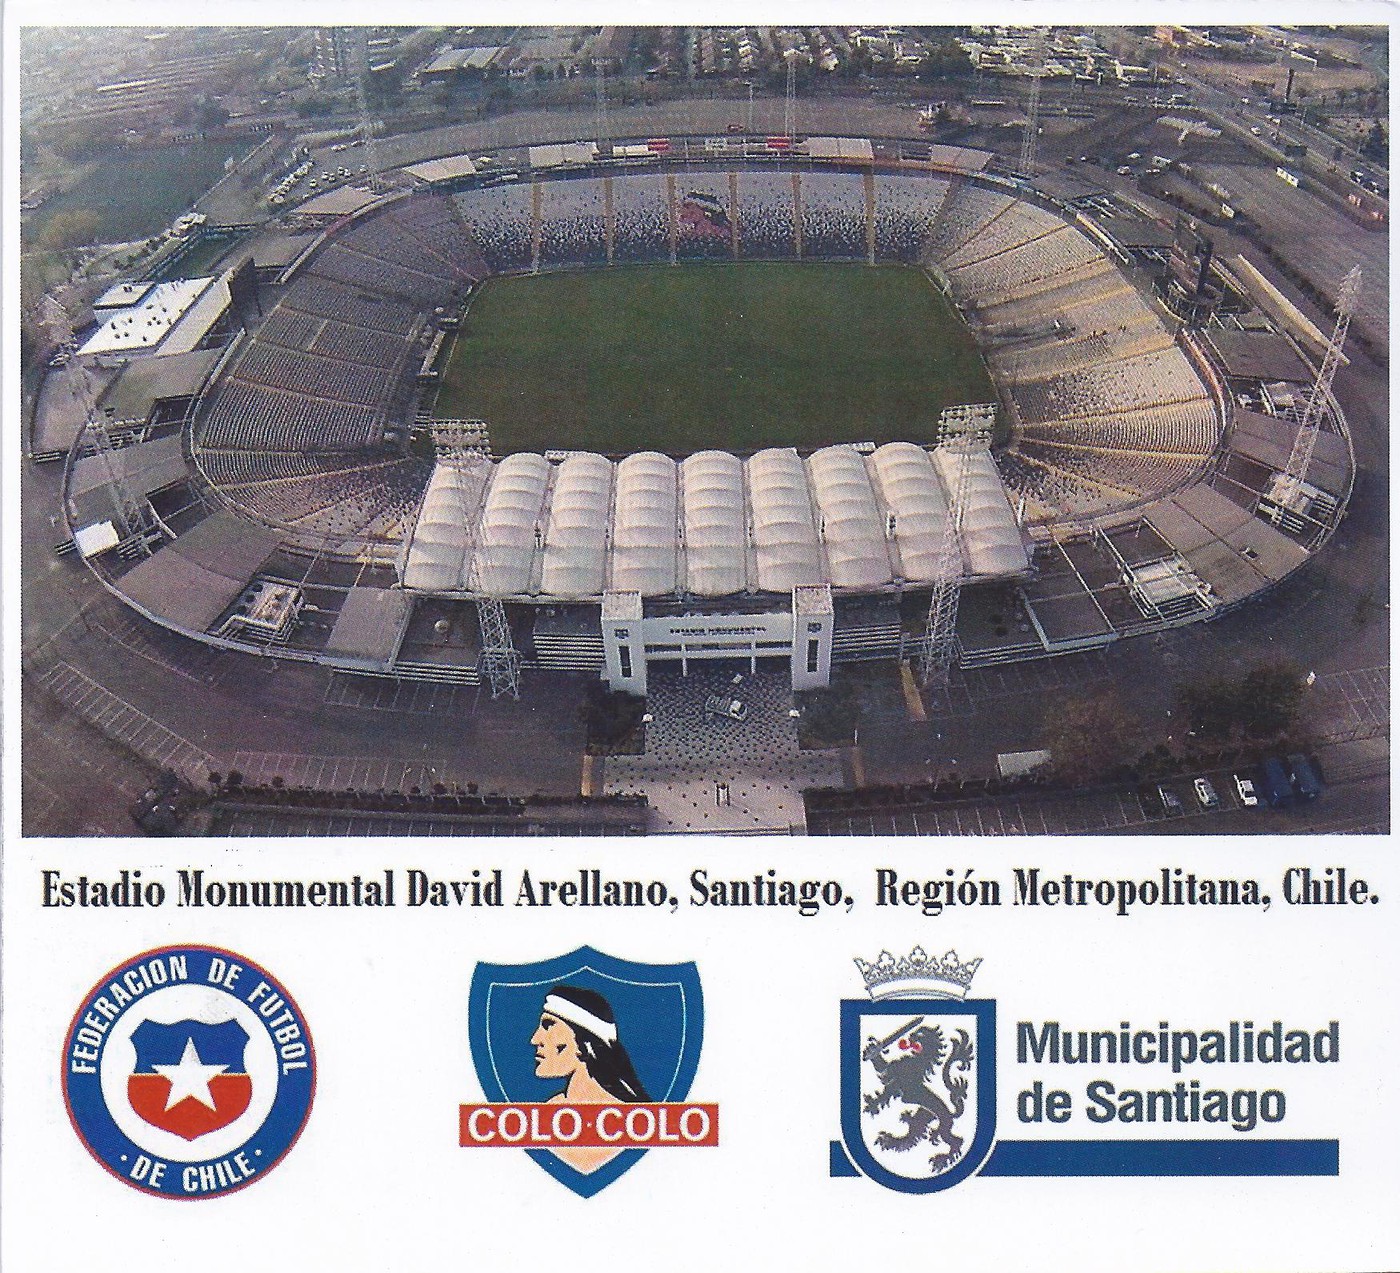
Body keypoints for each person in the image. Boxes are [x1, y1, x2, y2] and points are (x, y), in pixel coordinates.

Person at [531, 984, 651, 1104]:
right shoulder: (552, 1106)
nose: (535, 1040)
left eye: (549, 1026)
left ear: (584, 1043)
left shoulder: (625, 1111)